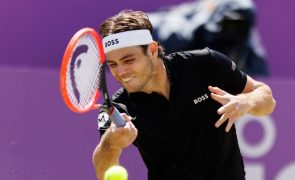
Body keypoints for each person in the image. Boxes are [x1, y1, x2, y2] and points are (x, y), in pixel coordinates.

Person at [92, 10, 276, 180]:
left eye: (128, 60)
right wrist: (112, 143)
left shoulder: (205, 63)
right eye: (113, 64)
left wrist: (246, 101)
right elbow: (102, 172)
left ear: (153, 50)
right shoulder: (118, 107)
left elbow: (266, 98)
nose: (121, 71)